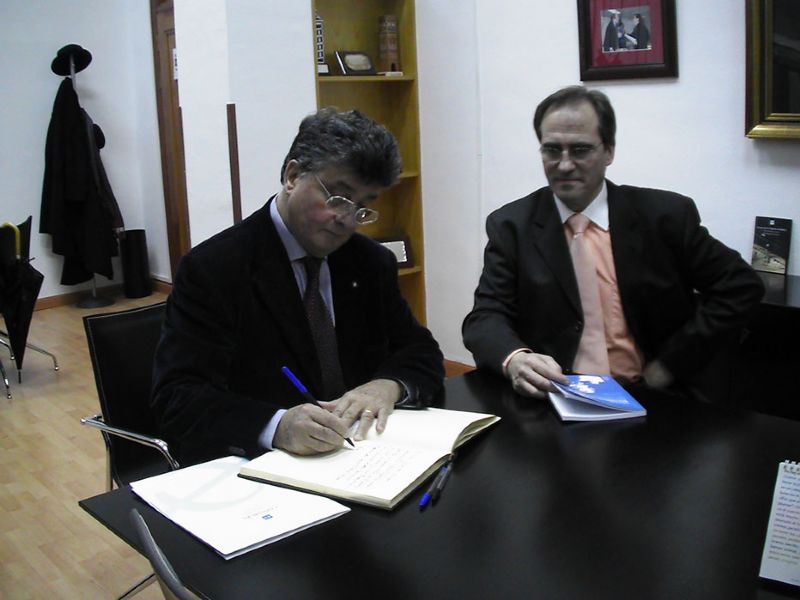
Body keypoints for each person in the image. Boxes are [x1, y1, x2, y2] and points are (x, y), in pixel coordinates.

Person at [152, 108, 444, 465]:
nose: (347, 220)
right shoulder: (215, 268)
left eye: (362, 208)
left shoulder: (370, 261)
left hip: (359, 458)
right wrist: (276, 425)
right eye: (338, 198)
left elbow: (420, 350)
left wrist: (388, 385)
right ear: (292, 176)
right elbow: (179, 398)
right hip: (263, 467)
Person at [462, 86, 764, 402]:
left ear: (608, 151)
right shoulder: (512, 226)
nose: (564, 164)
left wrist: (672, 363)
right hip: (555, 396)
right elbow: (485, 317)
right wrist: (516, 359)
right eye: (552, 150)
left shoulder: (664, 218)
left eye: (580, 150)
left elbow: (740, 286)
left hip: (653, 396)